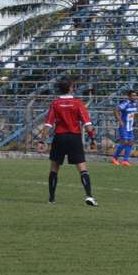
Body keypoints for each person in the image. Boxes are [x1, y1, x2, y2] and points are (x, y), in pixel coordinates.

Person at [38, 77, 97, 206]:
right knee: (82, 168)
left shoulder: (55, 103)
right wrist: (92, 138)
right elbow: (87, 124)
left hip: (60, 137)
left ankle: (51, 199)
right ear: (71, 87)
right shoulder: (77, 103)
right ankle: (89, 196)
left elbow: (48, 124)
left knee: (54, 168)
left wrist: (42, 141)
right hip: (74, 137)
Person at [112, 90, 138, 166]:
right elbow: (116, 110)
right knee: (124, 142)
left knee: (131, 142)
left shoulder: (135, 104)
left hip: (130, 127)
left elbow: (132, 114)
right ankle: (114, 158)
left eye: (135, 95)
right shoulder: (125, 103)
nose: (134, 97)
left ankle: (125, 161)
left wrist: (133, 120)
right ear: (129, 96)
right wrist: (119, 120)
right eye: (133, 95)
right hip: (124, 127)